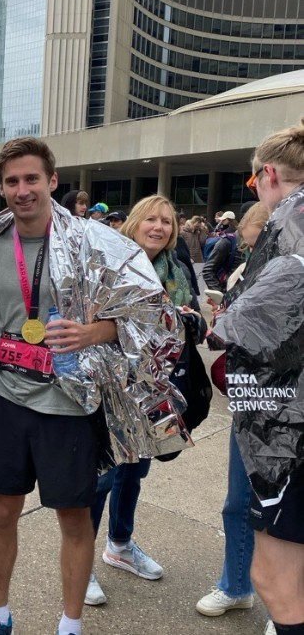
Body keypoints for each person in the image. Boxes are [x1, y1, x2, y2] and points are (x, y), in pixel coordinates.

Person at [0, 141, 186, 635]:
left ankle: (70, 625)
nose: (22, 190)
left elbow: (156, 316)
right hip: (6, 393)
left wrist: (95, 332)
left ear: (52, 181)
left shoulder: (96, 241)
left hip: (69, 399)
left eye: (32, 179)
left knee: (73, 518)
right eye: (12, 182)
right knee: (2, 511)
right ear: (1, 188)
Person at [84, 194, 205, 607]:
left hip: (154, 385)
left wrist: (190, 320)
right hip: (110, 382)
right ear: (135, 223)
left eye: (166, 222)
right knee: (103, 474)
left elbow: (192, 320)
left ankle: (120, 544)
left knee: (135, 471)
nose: (159, 227)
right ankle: (81, 563)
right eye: (151, 219)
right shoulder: (110, 263)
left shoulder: (177, 268)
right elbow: (94, 317)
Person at [211, 118, 304, 635]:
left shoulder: (293, 220)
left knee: (274, 577)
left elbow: (250, 319)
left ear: (268, 174)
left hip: (290, 425)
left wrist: (213, 325)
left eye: (253, 183)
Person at [196, 202, 272, 629]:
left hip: (290, 406)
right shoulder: (244, 272)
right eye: (253, 242)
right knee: (239, 501)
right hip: (249, 400)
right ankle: (237, 584)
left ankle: (287, 605)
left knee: (285, 511)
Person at [202, 211, 242, 292]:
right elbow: (208, 270)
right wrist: (221, 295)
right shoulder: (227, 239)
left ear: (228, 219)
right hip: (228, 287)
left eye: (223, 220)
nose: (221, 221)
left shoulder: (228, 233)